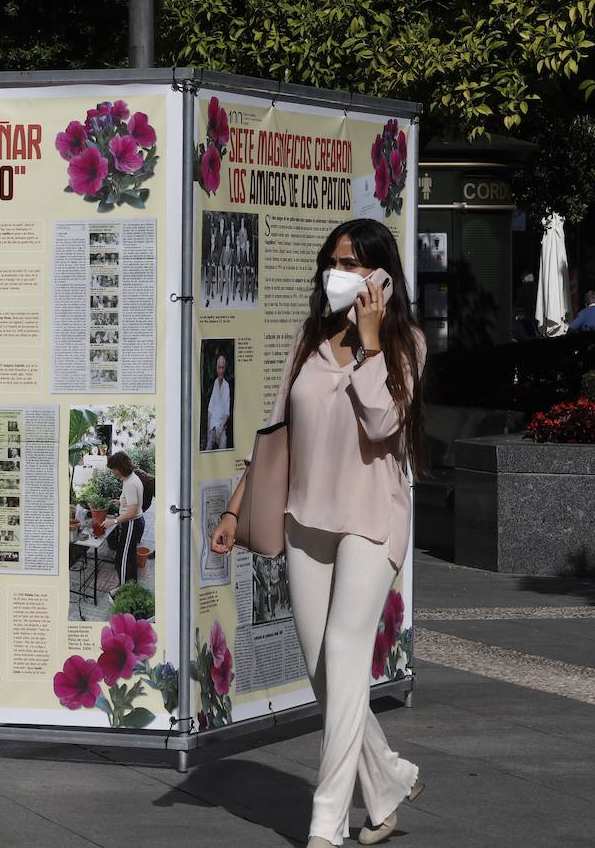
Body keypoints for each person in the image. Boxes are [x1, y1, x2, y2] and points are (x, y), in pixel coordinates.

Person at [209, 218, 425, 847]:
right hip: (306, 516)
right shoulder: (307, 336)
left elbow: (385, 421)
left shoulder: (407, 342)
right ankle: (386, 780)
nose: (342, 272)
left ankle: (326, 822)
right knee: (323, 668)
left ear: (382, 273)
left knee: (348, 652)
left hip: (372, 520)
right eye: (335, 261)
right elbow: (274, 435)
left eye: (355, 262)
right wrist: (234, 512)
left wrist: (371, 341)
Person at [105, 451, 144, 585]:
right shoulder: (131, 478)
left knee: (122, 558)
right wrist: (120, 502)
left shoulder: (130, 484)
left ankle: (122, 588)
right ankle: (131, 585)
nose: (113, 473)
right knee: (130, 556)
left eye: (114, 470)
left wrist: (114, 521)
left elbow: (132, 512)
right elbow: (133, 503)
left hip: (132, 523)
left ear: (122, 467)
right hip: (136, 522)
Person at [206, 355, 232, 449]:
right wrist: (208, 429)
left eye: (222, 367)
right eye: (219, 367)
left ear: (224, 369)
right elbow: (210, 408)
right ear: (216, 369)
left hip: (221, 425)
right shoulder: (215, 383)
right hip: (213, 424)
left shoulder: (227, 386)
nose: (221, 370)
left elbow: (227, 413)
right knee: (208, 445)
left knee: (223, 442)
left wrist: (221, 429)